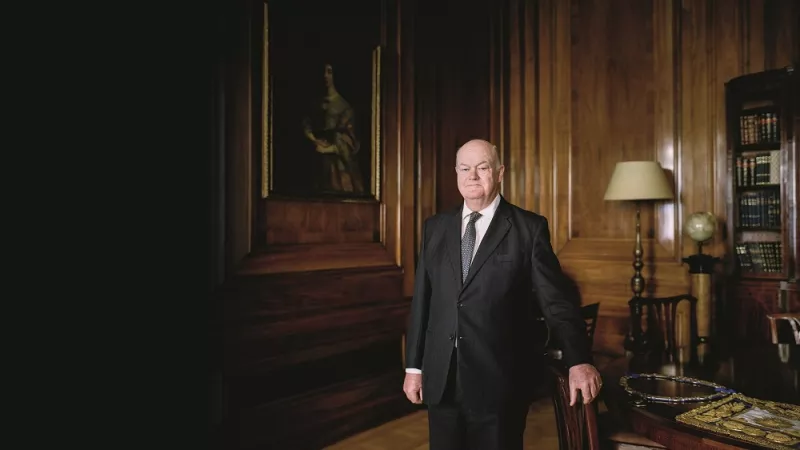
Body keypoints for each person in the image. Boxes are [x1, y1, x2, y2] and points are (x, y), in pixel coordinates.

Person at [403, 139, 602, 450]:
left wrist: (579, 360)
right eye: (464, 168)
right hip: (442, 378)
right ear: (456, 173)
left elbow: (556, 302)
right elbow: (422, 302)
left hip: (500, 381)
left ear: (499, 173)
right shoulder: (435, 228)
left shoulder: (529, 228)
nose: (472, 176)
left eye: (482, 168)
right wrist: (413, 367)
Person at [302, 62, 365, 194]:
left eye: (329, 72)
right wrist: (313, 139)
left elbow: (350, 142)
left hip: (337, 168)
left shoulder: (345, 107)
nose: (325, 76)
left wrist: (327, 149)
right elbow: (307, 124)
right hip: (316, 167)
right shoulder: (315, 103)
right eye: (323, 72)